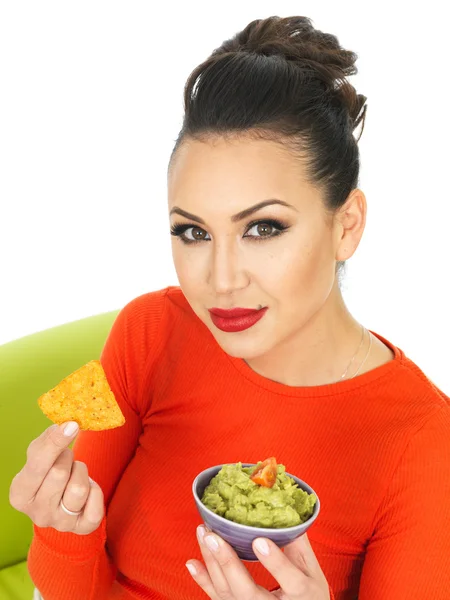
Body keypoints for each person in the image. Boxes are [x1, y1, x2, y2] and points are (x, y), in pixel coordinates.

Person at [9, 15, 450, 600]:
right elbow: (72, 587)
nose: (220, 280)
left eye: (264, 228)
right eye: (193, 233)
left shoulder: (422, 441)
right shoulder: (152, 333)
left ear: (347, 225)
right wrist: (62, 530)